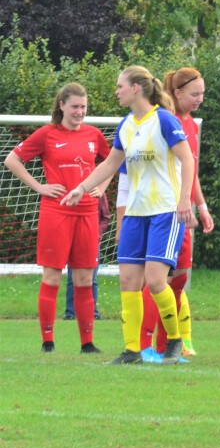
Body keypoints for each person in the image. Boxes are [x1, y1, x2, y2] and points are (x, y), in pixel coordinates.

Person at [61, 65, 195, 365]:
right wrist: (81, 189)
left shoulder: (164, 119)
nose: (116, 91)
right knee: (128, 282)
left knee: (156, 281)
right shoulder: (126, 124)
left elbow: (187, 159)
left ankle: (175, 340)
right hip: (135, 214)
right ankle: (132, 350)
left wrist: (185, 199)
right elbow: (110, 164)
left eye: (120, 86)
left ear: (136, 88)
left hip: (165, 212)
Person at [4, 82, 110, 354]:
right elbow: (11, 160)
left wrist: (102, 187)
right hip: (56, 213)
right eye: (75, 106)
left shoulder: (94, 134)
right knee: (52, 276)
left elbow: (113, 162)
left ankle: (87, 343)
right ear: (61, 106)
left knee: (85, 279)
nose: (80, 112)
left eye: (83, 107)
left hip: (87, 212)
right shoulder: (47, 134)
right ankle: (48, 342)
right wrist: (39, 187)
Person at [139, 67, 214, 361]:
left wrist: (201, 207)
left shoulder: (191, 125)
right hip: (165, 210)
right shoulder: (165, 120)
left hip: (183, 211)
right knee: (158, 279)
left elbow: (190, 170)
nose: (200, 99)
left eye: (203, 93)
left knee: (179, 278)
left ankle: (165, 347)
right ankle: (144, 345)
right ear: (178, 92)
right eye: (195, 94)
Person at [64, 193, 111, 320]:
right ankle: (71, 313)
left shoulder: (98, 192)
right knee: (72, 277)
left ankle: (92, 313)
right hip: (74, 240)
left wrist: (97, 234)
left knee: (92, 279)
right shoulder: (72, 192)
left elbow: (106, 217)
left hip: (92, 241)